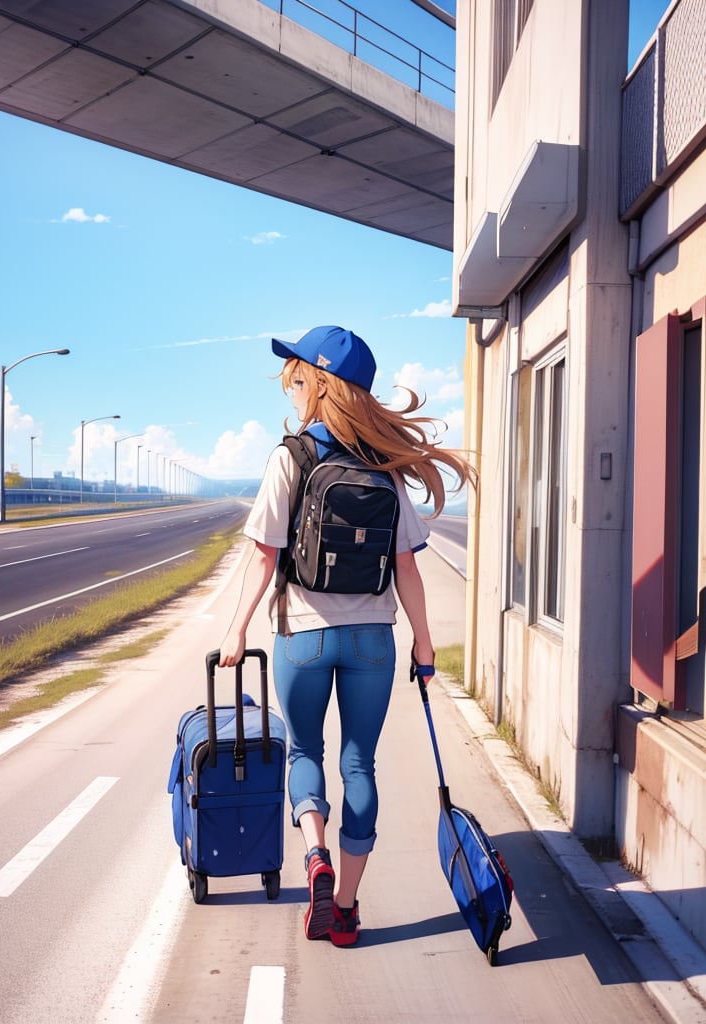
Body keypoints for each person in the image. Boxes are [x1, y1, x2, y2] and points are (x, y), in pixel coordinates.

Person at [218, 325, 475, 946]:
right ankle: (348, 908)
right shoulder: (384, 467)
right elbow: (408, 566)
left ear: (319, 384)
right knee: (361, 762)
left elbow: (262, 556)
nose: (294, 387)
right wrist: (423, 642)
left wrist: (236, 631)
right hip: (372, 642)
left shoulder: (291, 456)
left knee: (307, 753)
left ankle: (314, 853)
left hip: (301, 636)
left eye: (299, 377)